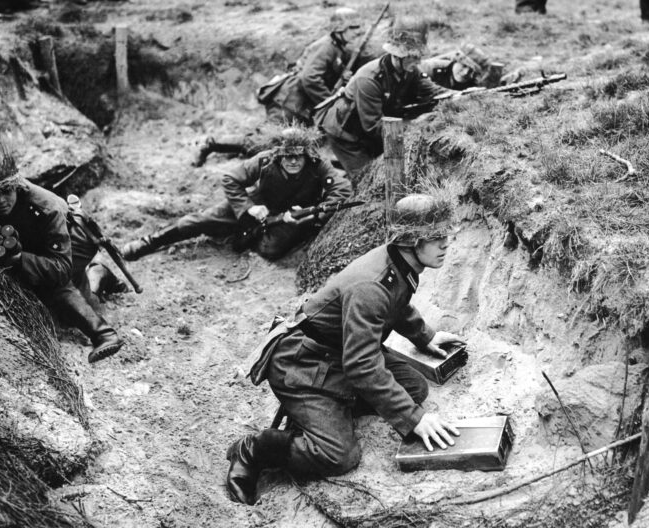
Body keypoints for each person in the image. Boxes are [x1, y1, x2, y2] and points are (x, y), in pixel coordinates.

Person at [226, 194, 466, 505]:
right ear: (410, 241)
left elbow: (396, 303)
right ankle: (255, 449)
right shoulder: (371, 285)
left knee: (414, 387)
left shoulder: (396, 260)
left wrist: (425, 336)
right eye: (435, 237)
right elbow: (363, 365)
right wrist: (414, 419)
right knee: (340, 455)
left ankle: (324, 410)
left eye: (445, 235)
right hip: (300, 362)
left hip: (338, 353)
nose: (445, 244)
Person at [0, 140, 124, 364]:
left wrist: (20, 259)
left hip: (75, 245)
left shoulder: (46, 207)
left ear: (16, 183)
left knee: (58, 293)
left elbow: (61, 269)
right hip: (38, 244)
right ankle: (99, 275)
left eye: (5, 191)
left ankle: (103, 333)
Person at [122, 127, 353, 261]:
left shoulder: (317, 164)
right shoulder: (264, 161)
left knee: (269, 251)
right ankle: (150, 241)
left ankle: (246, 234)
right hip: (257, 205)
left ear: (306, 156)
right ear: (278, 155)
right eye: (287, 156)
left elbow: (342, 189)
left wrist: (313, 216)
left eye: (298, 157)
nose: (293, 161)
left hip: (292, 215)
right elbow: (231, 178)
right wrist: (247, 208)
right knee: (197, 221)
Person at [191, 8, 365, 167]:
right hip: (289, 102)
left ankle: (235, 147)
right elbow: (310, 78)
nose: (358, 32)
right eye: (353, 27)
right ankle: (210, 144)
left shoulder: (336, 48)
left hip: (299, 104)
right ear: (339, 29)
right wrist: (328, 102)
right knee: (266, 141)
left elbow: (320, 73)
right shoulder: (326, 47)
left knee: (286, 142)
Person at [317, 18, 454, 178]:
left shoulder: (411, 70)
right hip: (347, 136)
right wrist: (417, 124)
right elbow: (374, 127)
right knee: (367, 178)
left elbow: (433, 91)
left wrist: (459, 97)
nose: (418, 62)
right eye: (413, 57)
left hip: (374, 127)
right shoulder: (369, 79)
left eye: (419, 57)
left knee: (392, 169)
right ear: (397, 56)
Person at [420, 44, 500, 91]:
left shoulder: (475, 83)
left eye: (472, 71)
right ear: (456, 61)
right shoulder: (430, 68)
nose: (466, 73)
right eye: (464, 66)